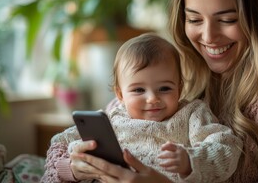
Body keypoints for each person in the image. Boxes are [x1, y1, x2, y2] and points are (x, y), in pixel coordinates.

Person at [43, 0, 258, 182]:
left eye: (228, 20)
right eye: (194, 19)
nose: (208, 36)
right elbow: (61, 156)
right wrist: (76, 168)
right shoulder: (165, 73)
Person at [41, 33, 243, 182]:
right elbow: (59, 142)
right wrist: (72, 166)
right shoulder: (112, 118)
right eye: (138, 90)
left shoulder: (192, 114)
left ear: (180, 88)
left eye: (165, 88)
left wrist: (191, 161)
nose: (152, 99)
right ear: (120, 94)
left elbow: (226, 146)